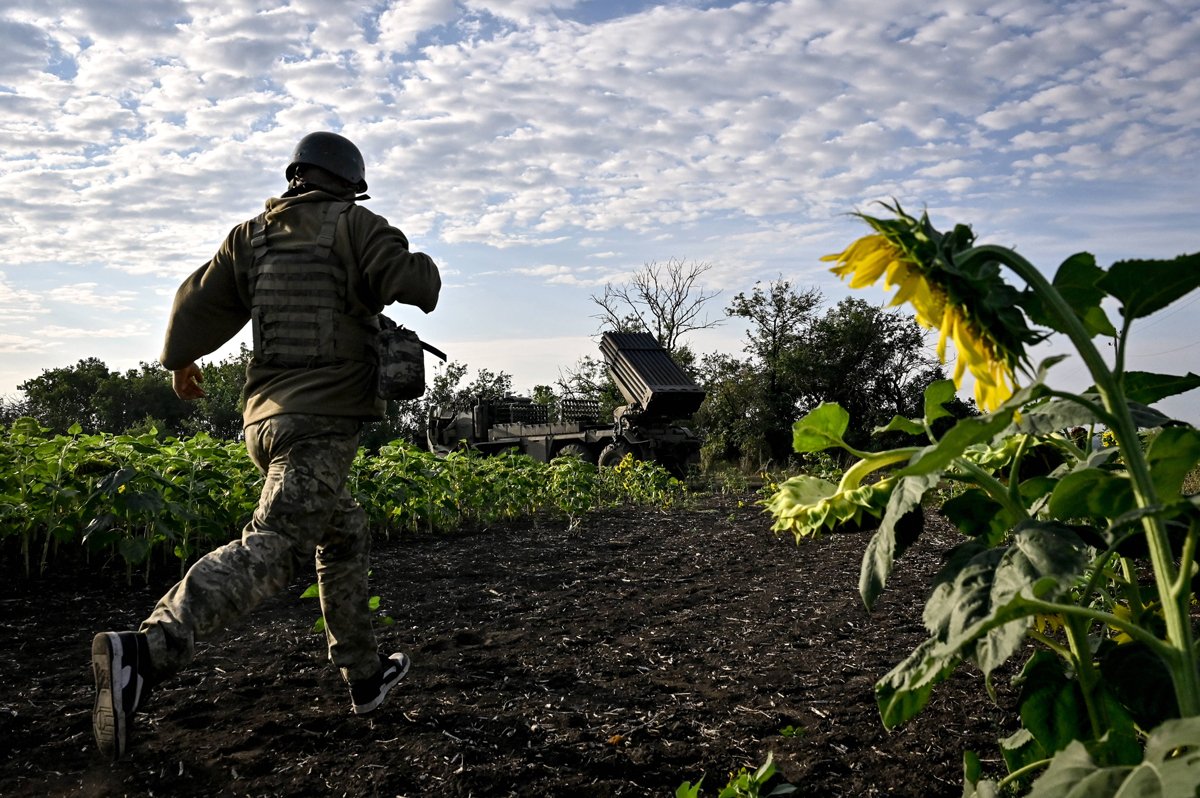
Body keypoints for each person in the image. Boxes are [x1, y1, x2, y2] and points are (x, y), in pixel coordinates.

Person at [91, 131, 441, 762]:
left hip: (264, 421)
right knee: (276, 547)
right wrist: (421, 268)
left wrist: (181, 361)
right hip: (322, 423)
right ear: (348, 182)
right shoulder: (357, 224)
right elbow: (412, 284)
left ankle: (364, 675)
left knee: (343, 533)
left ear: (296, 176)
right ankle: (146, 650)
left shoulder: (248, 236)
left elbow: (194, 302)